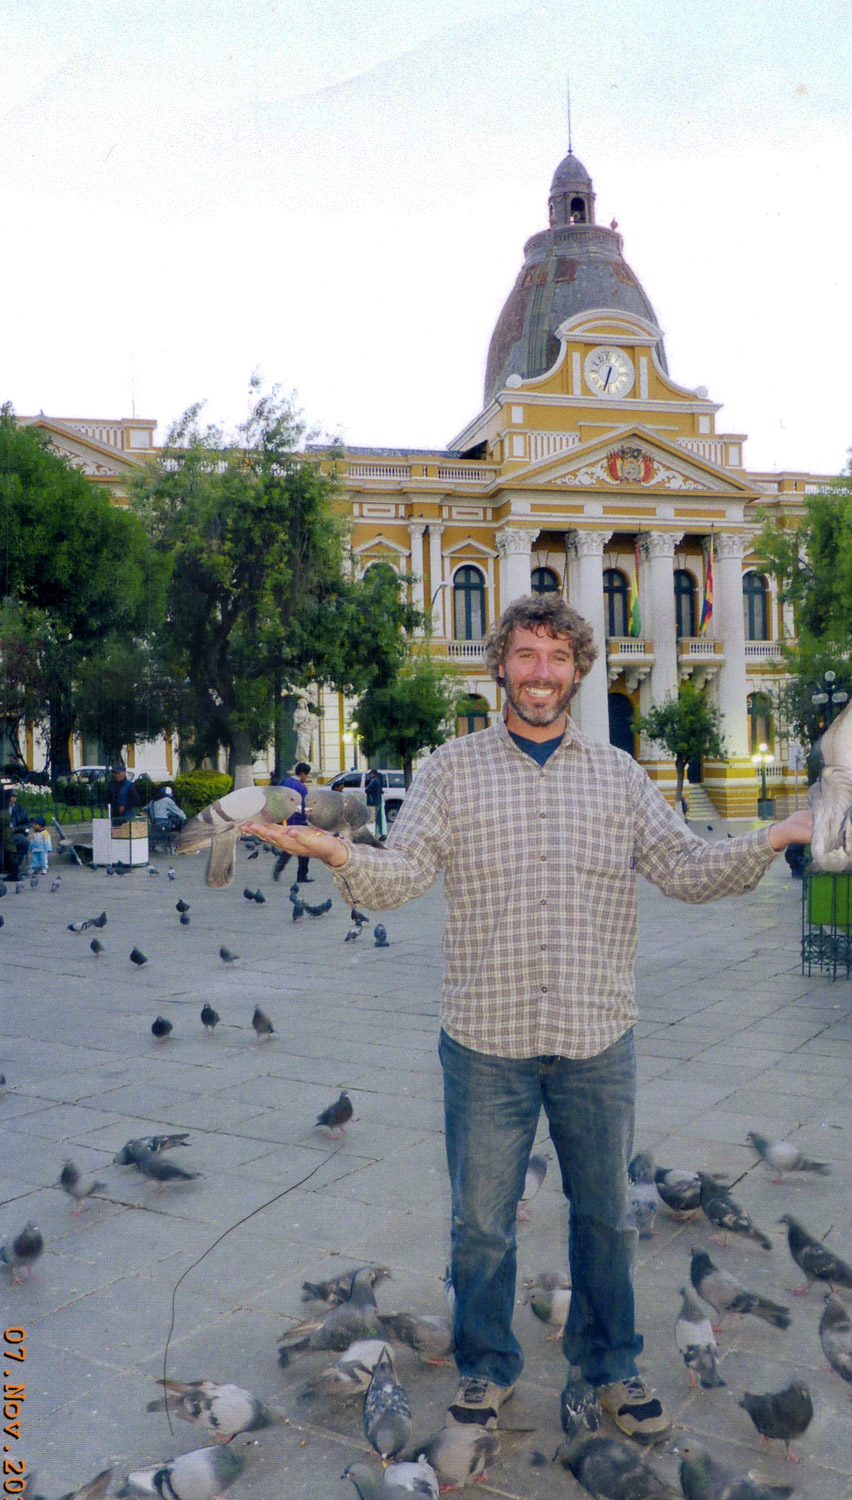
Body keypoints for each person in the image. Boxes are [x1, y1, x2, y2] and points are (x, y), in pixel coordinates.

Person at [243, 595, 812, 1441]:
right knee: (479, 1225)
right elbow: (403, 875)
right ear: (499, 665)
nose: (541, 673)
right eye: (526, 656)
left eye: (557, 658)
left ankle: (611, 1364)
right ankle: (484, 1368)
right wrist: (339, 853)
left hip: (595, 1035)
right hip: (486, 1039)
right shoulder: (450, 770)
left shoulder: (619, 775)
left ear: (580, 670)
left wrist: (774, 837)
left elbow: (687, 869)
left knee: (608, 1217)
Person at [272, 761, 313, 884]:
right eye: (306, 775)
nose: (306, 778)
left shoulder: (284, 782)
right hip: (299, 820)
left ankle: (280, 864)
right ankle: (302, 875)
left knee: (291, 844)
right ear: (302, 773)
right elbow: (305, 805)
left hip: (287, 819)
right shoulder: (301, 787)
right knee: (305, 847)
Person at [365, 767, 387, 840]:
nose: (369, 776)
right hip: (378, 802)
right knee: (378, 819)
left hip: (373, 802)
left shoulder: (374, 781)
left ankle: (373, 834)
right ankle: (381, 833)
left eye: (370, 774)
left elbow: (367, 790)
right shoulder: (379, 781)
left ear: (373, 774)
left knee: (372, 819)